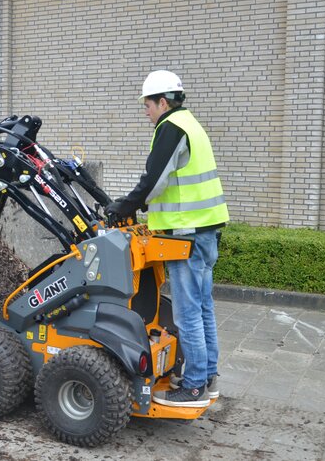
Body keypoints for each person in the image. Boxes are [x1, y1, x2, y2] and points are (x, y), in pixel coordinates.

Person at [105, 70, 229, 408]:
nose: (145, 110)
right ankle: (208, 377)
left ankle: (192, 387)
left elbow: (154, 179)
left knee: (188, 312)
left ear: (162, 101)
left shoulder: (171, 128)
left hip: (185, 233)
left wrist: (125, 206)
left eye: (147, 104)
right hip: (205, 230)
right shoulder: (192, 124)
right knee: (203, 307)